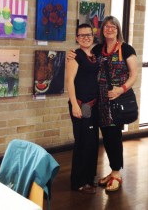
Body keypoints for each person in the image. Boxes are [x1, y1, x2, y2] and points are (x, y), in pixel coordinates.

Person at [68, 16, 138, 192]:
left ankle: (116, 173)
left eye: (113, 26)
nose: (109, 29)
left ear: (118, 29)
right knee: (104, 138)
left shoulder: (127, 49)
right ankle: (111, 171)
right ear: (102, 30)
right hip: (98, 103)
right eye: (106, 26)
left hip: (115, 101)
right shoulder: (98, 49)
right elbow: (83, 58)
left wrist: (120, 89)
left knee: (114, 137)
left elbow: (134, 75)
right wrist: (71, 54)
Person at [66, 23, 99, 194]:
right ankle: (78, 182)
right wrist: (75, 105)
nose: (86, 37)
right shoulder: (75, 56)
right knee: (83, 143)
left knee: (92, 143)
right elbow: (70, 81)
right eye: (82, 35)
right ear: (77, 38)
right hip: (81, 105)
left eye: (89, 34)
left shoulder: (94, 55)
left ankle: (89, 178)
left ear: (93, 36)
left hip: (93, 105)